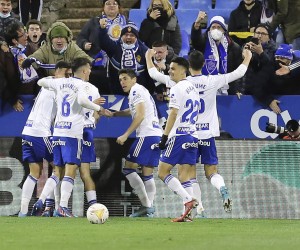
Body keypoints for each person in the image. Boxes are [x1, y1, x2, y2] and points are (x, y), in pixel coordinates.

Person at [146, 48, 252, 217]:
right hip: (202, 134)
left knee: (182, 175)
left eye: (173, 69)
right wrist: (247, 58)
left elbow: (153, 74)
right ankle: (215, 194)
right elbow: (238, 73)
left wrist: (148, 57)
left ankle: (197, 206)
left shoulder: (177, 84)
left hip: (181, 133)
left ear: (186, 66)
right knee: (211, 172)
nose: (171, 71)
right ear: (204, 64)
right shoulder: (211, 81)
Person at [31, 57, 105, 217]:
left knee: (57, 171)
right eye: (89, 69)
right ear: (85, 70)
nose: (90, 72)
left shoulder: (60, 82)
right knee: (73, 171)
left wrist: (55, 79)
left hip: (57, 131)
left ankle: (41, 201)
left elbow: (40, 82)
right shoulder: (86, 86)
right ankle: (63, 207)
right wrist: (98, 107)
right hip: (74, 133)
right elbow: (84, 102)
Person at [147, 55, 200, 222]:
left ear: (183, 71)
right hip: (192, 135)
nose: (170, 71)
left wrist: (164, 137)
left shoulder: (177, 88)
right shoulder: (192, 88)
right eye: (169, 68)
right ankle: (189, 215)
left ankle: (187, 199)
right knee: (185, 176)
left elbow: (174, 113)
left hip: (179, 136)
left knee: (162, 172)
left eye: (173, 68)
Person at [18, 61, 71, 217]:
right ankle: (45, 204)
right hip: (41, 133)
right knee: (59, 167)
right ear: (63, 71)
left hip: (27, 131)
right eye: (68, 73)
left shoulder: (47, 84)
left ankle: (22, 212)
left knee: (35, 172)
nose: (70, 77)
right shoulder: (61, 86)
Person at [112, 68, 161, 217]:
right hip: (155, 135)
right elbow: (133, 110)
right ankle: (149, 210)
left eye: (125, 78)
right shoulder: (140, 91)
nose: (122, 82)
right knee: (147, 173)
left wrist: (126, 135)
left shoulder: (135, 91)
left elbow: (139, 115)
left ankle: (146, 206)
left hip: (146, 135)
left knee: (128, 168)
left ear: (134, 79)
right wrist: (115, 114)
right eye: (120, 80)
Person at [76, 0, 127, 94]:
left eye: (114, 4)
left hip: (118, 66)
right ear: (103, 7)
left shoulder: (126, 22)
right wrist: (84, 43)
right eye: (108, 3)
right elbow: (80, 37)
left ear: (119, 7)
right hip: (97, 66)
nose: (111, 6)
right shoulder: (94, 22)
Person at [191, 15, 243, 96]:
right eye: (213, 27)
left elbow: (237, 70)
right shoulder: (203, 42)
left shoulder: (233, 47)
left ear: (224, 30)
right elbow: (196, 40)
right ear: (209, 29)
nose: (215, 29)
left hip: (227, 89)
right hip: (205, 88)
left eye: (219, 27)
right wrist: (197, 24)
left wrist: (237, 90)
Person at [98, 21, 154, 94]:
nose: (128, 37)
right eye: (126, 35)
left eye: (132, 35)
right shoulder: (114, 47)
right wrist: (102, 29)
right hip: (117, 91)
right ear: (121, 36)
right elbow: (103, 42)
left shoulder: (145, 51)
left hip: (140, 92)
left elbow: (150, 74)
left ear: (136, 37)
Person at [22, 21, 92, 76]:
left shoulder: (72, 47)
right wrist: (28, 61)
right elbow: (36, 56)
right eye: (56, 37)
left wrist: (89, 63)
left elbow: (85, 58)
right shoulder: (46, 48)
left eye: (62, 37)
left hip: (69, 82)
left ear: (67, 39)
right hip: (51, 83)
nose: (59, 41)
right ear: (51, 39)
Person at [0, 20, 40, 112]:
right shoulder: (4, 55)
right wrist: (12, 99)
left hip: (32, 98)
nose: (26, 36)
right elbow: (2, 81)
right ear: (14, 40)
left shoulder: (33, 49)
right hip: (13, 101)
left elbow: (40, 72)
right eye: (22, 35)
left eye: (25, 32)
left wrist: (38, 94)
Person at [243, 23, 279, 114]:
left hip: (267, 91)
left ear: (269, 37)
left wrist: (261, 53)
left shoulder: (275, 51)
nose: (259, 36)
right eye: (257, 33)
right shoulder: (247, 48)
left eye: (263, 34)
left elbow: (271, 68)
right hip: (248, 92)